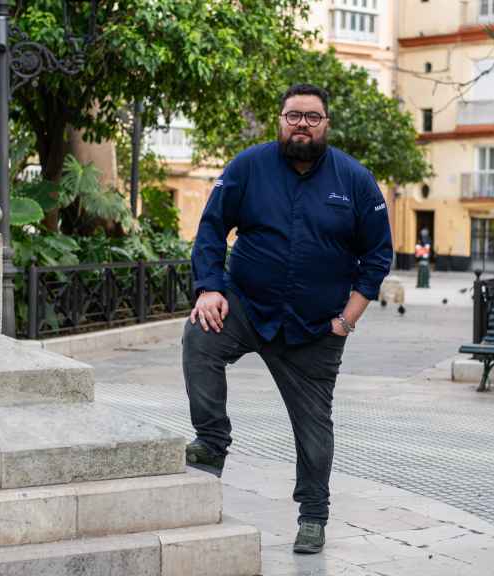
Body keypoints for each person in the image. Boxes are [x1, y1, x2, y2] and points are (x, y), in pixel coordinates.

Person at [181, 83, 393, 555]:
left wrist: (346, 321)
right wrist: (210, 288)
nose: (302, 124)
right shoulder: (247, 167)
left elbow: (378, 256)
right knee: (199, 337)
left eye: (312, 117)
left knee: (314, 429)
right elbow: (213, 228)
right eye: (293, 115)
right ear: (280, 120)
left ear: (326, 125)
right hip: (247, 308)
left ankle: (313, 517)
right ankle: (212, 441)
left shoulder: (356, 180)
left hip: (316, 329)